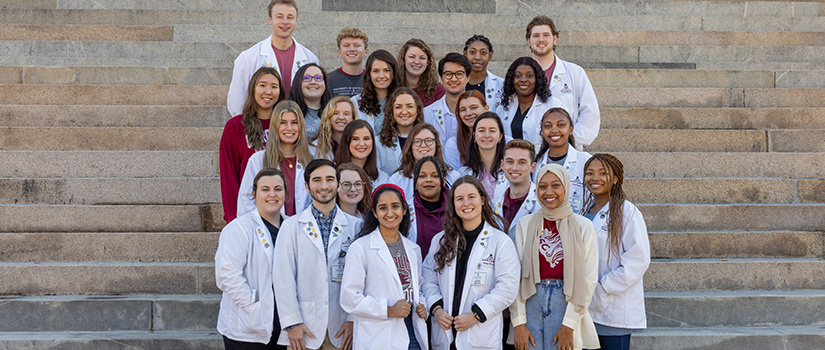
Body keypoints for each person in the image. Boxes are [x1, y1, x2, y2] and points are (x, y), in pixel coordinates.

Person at [421, 176, 520, 350]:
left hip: (480, 335)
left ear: (482, 199)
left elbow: (508, 288)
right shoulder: (440, 241)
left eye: (471, 197)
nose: (466, 203)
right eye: (459, 199)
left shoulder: (500, 242)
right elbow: (428, 279)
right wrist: (436, 310)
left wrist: (476, 315)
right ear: (453, 205)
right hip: (446, 335)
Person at [273, 159, 362, 350]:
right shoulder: (291, 227)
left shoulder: (356, 227)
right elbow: (283, 278)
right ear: (307, 186)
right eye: (316, 180)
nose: (323, 186)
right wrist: (292, 322)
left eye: (330, 179)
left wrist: (353, 319)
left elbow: (364, 280)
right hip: (303, 330)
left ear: (338, 185)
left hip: (342, 330)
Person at [510, 164, 599, 350]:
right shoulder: (525, 225)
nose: (549, 192)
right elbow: (515, 277)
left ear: (566, 187)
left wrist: (569, 325)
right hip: (531, 303)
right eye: (542, 186)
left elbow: (588, 279)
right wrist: (518, 323)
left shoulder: (583, 226)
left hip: (565, 304)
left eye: (556, 185)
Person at [340, 184, 429, 350]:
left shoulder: (413, 249)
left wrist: (423, 306)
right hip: (378, 334)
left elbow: (418, 287)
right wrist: (387, 310)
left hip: (411, 329)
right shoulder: (361, 248)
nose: (389, 213)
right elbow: (349, 296)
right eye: (383, 208)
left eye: (395, 206)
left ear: (404, 210)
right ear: (375, 213)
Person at [581, 154, 650, 350]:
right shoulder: (584, 211)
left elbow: (638, 261)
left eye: (603, 173)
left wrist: (603, 288)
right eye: (590, 173)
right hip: (586, 309)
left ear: (617, 178)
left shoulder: (627, 212)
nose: (595, 178)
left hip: (613, 308)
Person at [216, 168, 288, 350]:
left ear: (285, 194)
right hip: (247, 328)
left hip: (284, 327)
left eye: (278, 189)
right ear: (254, 194)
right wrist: (254, 305)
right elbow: (227, 275)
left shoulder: (291, 228)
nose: (272, 194)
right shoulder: (239, 228)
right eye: (265, 189)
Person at [226, 0, 318, 116]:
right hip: (259, 127)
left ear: (296, 21)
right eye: (279, 17)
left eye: (290, 17)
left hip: (296, 127)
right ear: (270, 20)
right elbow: (236, 102)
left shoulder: (310, 59)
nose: (285, 22)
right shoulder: (248, 58)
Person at [220, 67, 286, 223]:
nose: (268, 91)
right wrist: (233, 218)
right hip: (249, 208)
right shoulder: (235, 126)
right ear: (253, 89)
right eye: (262, 85)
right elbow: (228, 175)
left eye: (274, 87)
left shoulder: (287, 126)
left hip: (282, 208)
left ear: (280, 92)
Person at [527, 15, 600, 148]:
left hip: (567, 150)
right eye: (536, 35)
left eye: (546, 35)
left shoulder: (575, 72)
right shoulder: (519, 77)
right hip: (530, 152)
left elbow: (590, 112)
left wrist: (569, 140)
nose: (541, 40)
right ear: (528, 41)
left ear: (555, 39)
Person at [238, 101, 315, 218]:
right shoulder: (257, 160)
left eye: (294, 123)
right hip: (268, 229)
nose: (289, 128)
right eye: (283, 123)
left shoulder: (313, 158)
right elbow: (246, 201)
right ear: (274, 126)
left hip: (304, 229)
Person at [533, 108, 591, 214]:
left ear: (571, 129)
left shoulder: (585, 161)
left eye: (561, 125)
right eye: (548, 126)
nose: (554, 130)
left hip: (576, 225)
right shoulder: (535, 164)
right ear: (542, 131)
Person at [389, 123, 461, 208]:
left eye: (428, 141)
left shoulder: (453, 177)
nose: (423, 145)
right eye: (417, 141)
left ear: (436, 144)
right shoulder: (396, 180)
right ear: (410, 146)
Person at [495, 57, 562, 146]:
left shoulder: (553, 105)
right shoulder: (504, 107)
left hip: (541, 159)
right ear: (512, 80)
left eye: (529, 76)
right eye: (518, 76)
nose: (523, 80)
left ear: (537, 79)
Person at [492, 139, 539, 239]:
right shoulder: (495, 204)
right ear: (502, 165)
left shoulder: (541, 204)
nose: (514, 168)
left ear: (533, 167)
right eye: (510, 161)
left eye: (522, 162)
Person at [423, 53, 470, 145]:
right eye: (448, 74)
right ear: (441, 79)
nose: (453, 79)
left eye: (459, 74)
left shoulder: (478, 113)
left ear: (468, 78)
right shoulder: (427, 114)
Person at [375, 87, 425, 175]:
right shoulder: (378, 143)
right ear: (391, 111)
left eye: (410, 106)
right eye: (398, 107)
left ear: (417, 110)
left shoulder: (428, 139)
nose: (404, 112)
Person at [408, 156, 449, 258]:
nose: (428, 180)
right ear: (415, 181)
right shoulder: (406, 210)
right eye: (422, 176)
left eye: (435, 176)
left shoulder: (456, 208)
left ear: (443, 181)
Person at [352, 50, 400, 132]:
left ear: (393, 73)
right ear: (369, 74)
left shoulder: (403, 99)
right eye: (376, 71)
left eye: (386, 70)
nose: (381, 76)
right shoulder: (355, 102)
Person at [462, 112, 507, 198]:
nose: (486, 135)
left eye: (492, 131)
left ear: (500, 137)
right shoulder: (464, 173)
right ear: (474, 136)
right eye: (481, 130)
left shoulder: (509, 171)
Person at [333, 120, 389, 187]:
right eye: (355, 139)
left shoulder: (383, 179)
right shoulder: (333, 174)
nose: (362, 144)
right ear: (346, 142)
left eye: (366, 138)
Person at [443, 90, 489, 171]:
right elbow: (452, 179)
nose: (468, 113)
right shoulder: (453, 145)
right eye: (463, 109)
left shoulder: (505, 140)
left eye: (474, 107)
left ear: (486, 108)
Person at [288, 63, 332, 140]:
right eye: (307, 78)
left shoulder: (334, 112)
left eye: (318, 78)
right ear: (298, 82)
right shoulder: (287, 111)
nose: (313, 82)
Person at [397, 39, 445, 107]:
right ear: (403, 59)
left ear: (428, 62)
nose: (417, 62)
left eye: (422, 58)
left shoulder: (438, 90)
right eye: (412, 57)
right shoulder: (393, 87)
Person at [463, 35, 504, 110]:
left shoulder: (501, 85)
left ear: (490, 55)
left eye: (483, 53)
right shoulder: (457, 83)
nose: (478, 57)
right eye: (472, 52)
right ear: (465, 54)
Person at [327, 27, 369, 97]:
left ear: (366, 52)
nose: (352, 49)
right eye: (346, 45)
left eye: (357, 45)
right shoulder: (328, 80)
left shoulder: (372, 80)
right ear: (339, 52)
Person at [313, 96, 356, 160]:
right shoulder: (315, 147)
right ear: (329, 117)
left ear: (353, 118)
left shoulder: (358, 145)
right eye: (336, 113)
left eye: (346, 114)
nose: (341, 117)